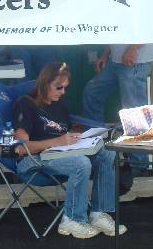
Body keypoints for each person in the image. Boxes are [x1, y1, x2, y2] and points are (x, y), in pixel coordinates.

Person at [12, 61, 131, 239]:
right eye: (58, 87)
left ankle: (98, 214)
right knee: (81, 163)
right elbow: (21, 148)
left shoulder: (59, 104)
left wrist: (79, 138)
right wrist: (57, 142)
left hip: (61, 153)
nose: (63, 92)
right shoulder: (25, 104)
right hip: (34, 159)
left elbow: (64, 132)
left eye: (65, 88)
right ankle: (72, 220)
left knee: (108, 153)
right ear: (44, 83)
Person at [82, 44, 153, 168]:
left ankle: (138, 164)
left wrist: (133, 48)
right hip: (115, 59)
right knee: (92, 93)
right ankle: (96, 148)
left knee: (133, 111)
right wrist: (106, 54)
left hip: (136, 60)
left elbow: (150, 31)